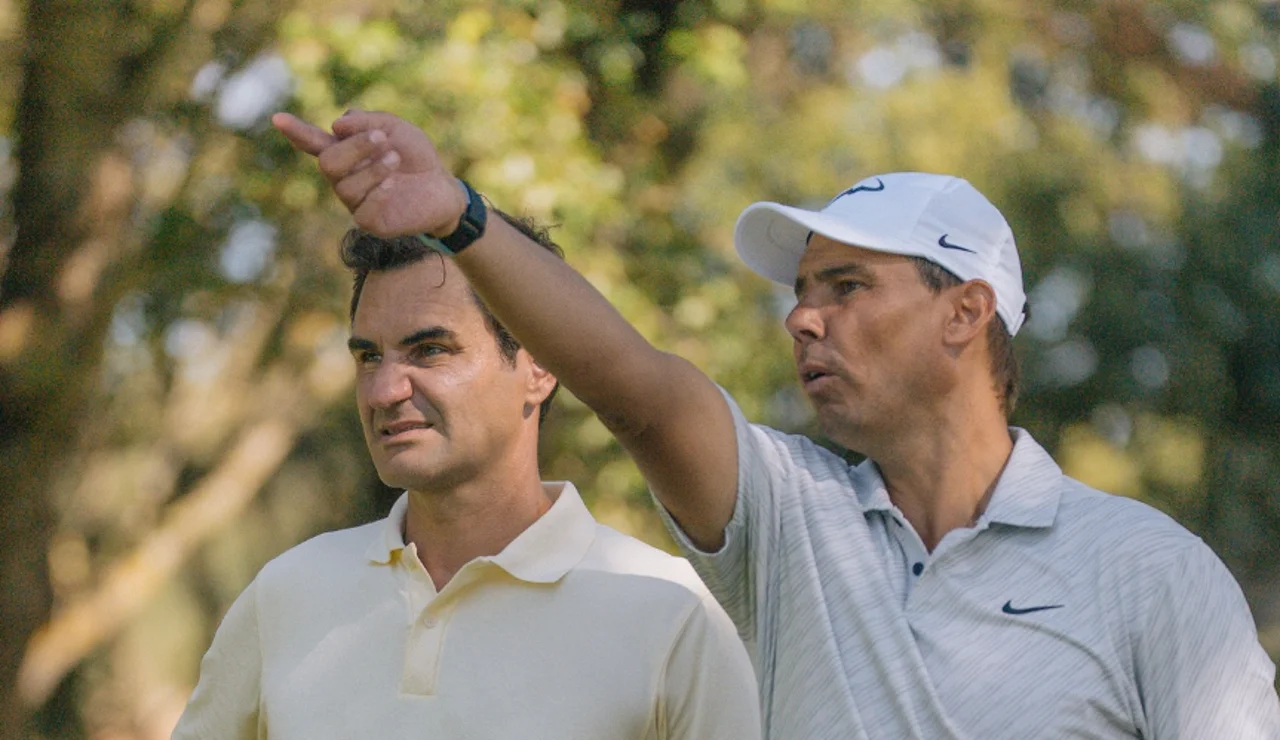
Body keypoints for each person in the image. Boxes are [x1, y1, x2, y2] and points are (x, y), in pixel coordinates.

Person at [272, 109, 1280, 739]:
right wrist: (458, 217)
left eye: (845, 286)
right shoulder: (791, 519)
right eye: (800, 291)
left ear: (964, 313)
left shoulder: (1149, 572)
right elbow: (632, 385)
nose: (801, 316)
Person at [171, 212, 763, 739]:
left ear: (539, 368)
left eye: (429, 350)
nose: (384, 390)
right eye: (368, 356)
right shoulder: (287, 594)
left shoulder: (669, 611)